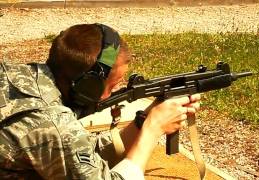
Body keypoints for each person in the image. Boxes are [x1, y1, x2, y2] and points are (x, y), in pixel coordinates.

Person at [0, 23, 201, 179]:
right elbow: (64, 140)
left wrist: (143, 121)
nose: (108, 96)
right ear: (88, 86)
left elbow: (77, 151)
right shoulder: (53, 124)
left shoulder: (17, 76)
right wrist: (152, 130)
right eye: (111, 86)